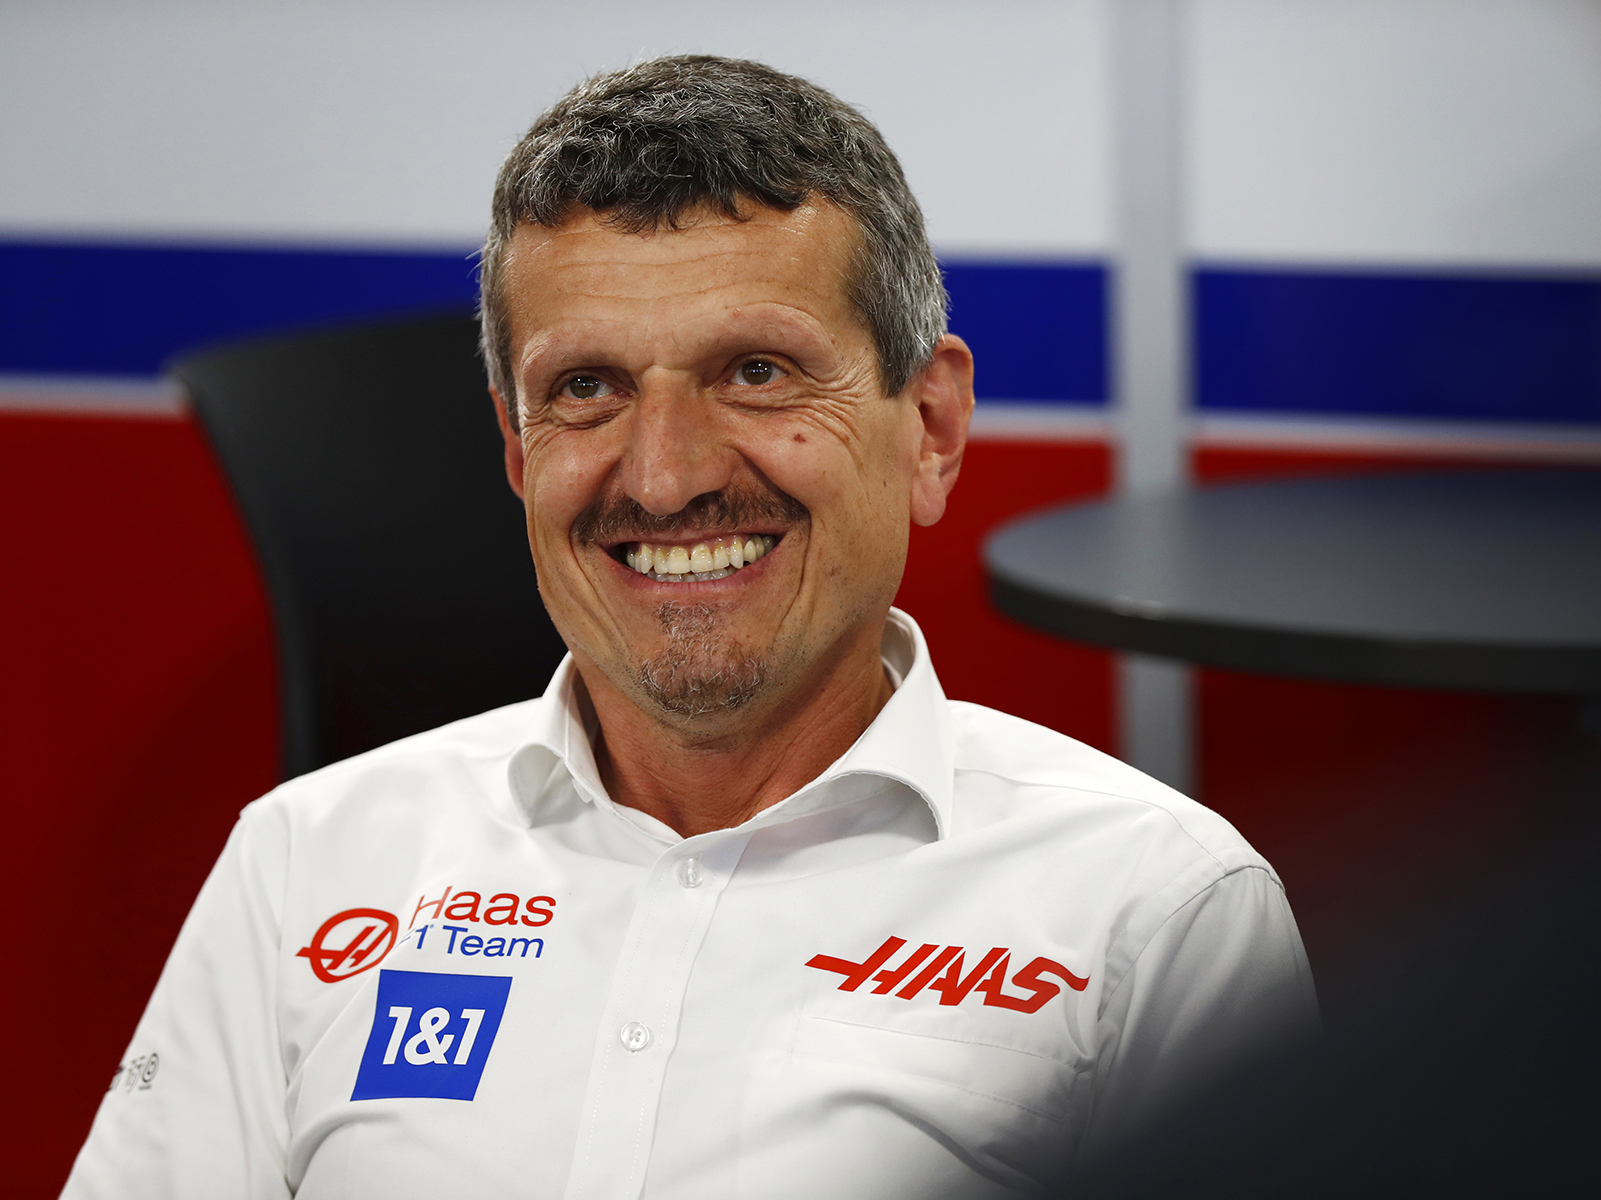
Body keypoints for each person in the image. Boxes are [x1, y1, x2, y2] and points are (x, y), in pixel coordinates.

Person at [63, 56, 1314, 1199]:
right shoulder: (306, 862)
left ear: (930, 429)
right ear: (517, 452)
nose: (664, 479)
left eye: (756, 372)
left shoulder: (1156, 914)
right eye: (587, 389)